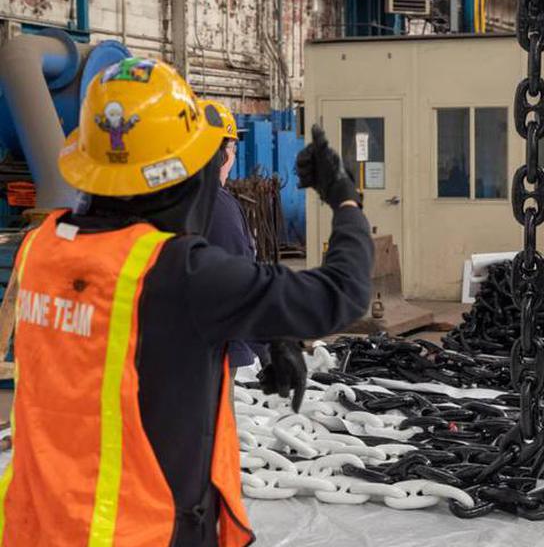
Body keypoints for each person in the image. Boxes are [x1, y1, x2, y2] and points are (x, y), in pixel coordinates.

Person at [0, 58, 372, 546]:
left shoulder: (41, 250)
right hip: (134, 530)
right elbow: (341, 293)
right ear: (180, 174)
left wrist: (266, 328)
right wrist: (344, 199)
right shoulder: (175, 272)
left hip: (40, 523)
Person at [200, 99, 267, 373]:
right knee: (217, 416)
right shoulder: (217, 204)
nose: (234, 156)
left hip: (179, 343)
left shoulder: (170, 199)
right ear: (219, 155)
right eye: (232, 148)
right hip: (216, 347)